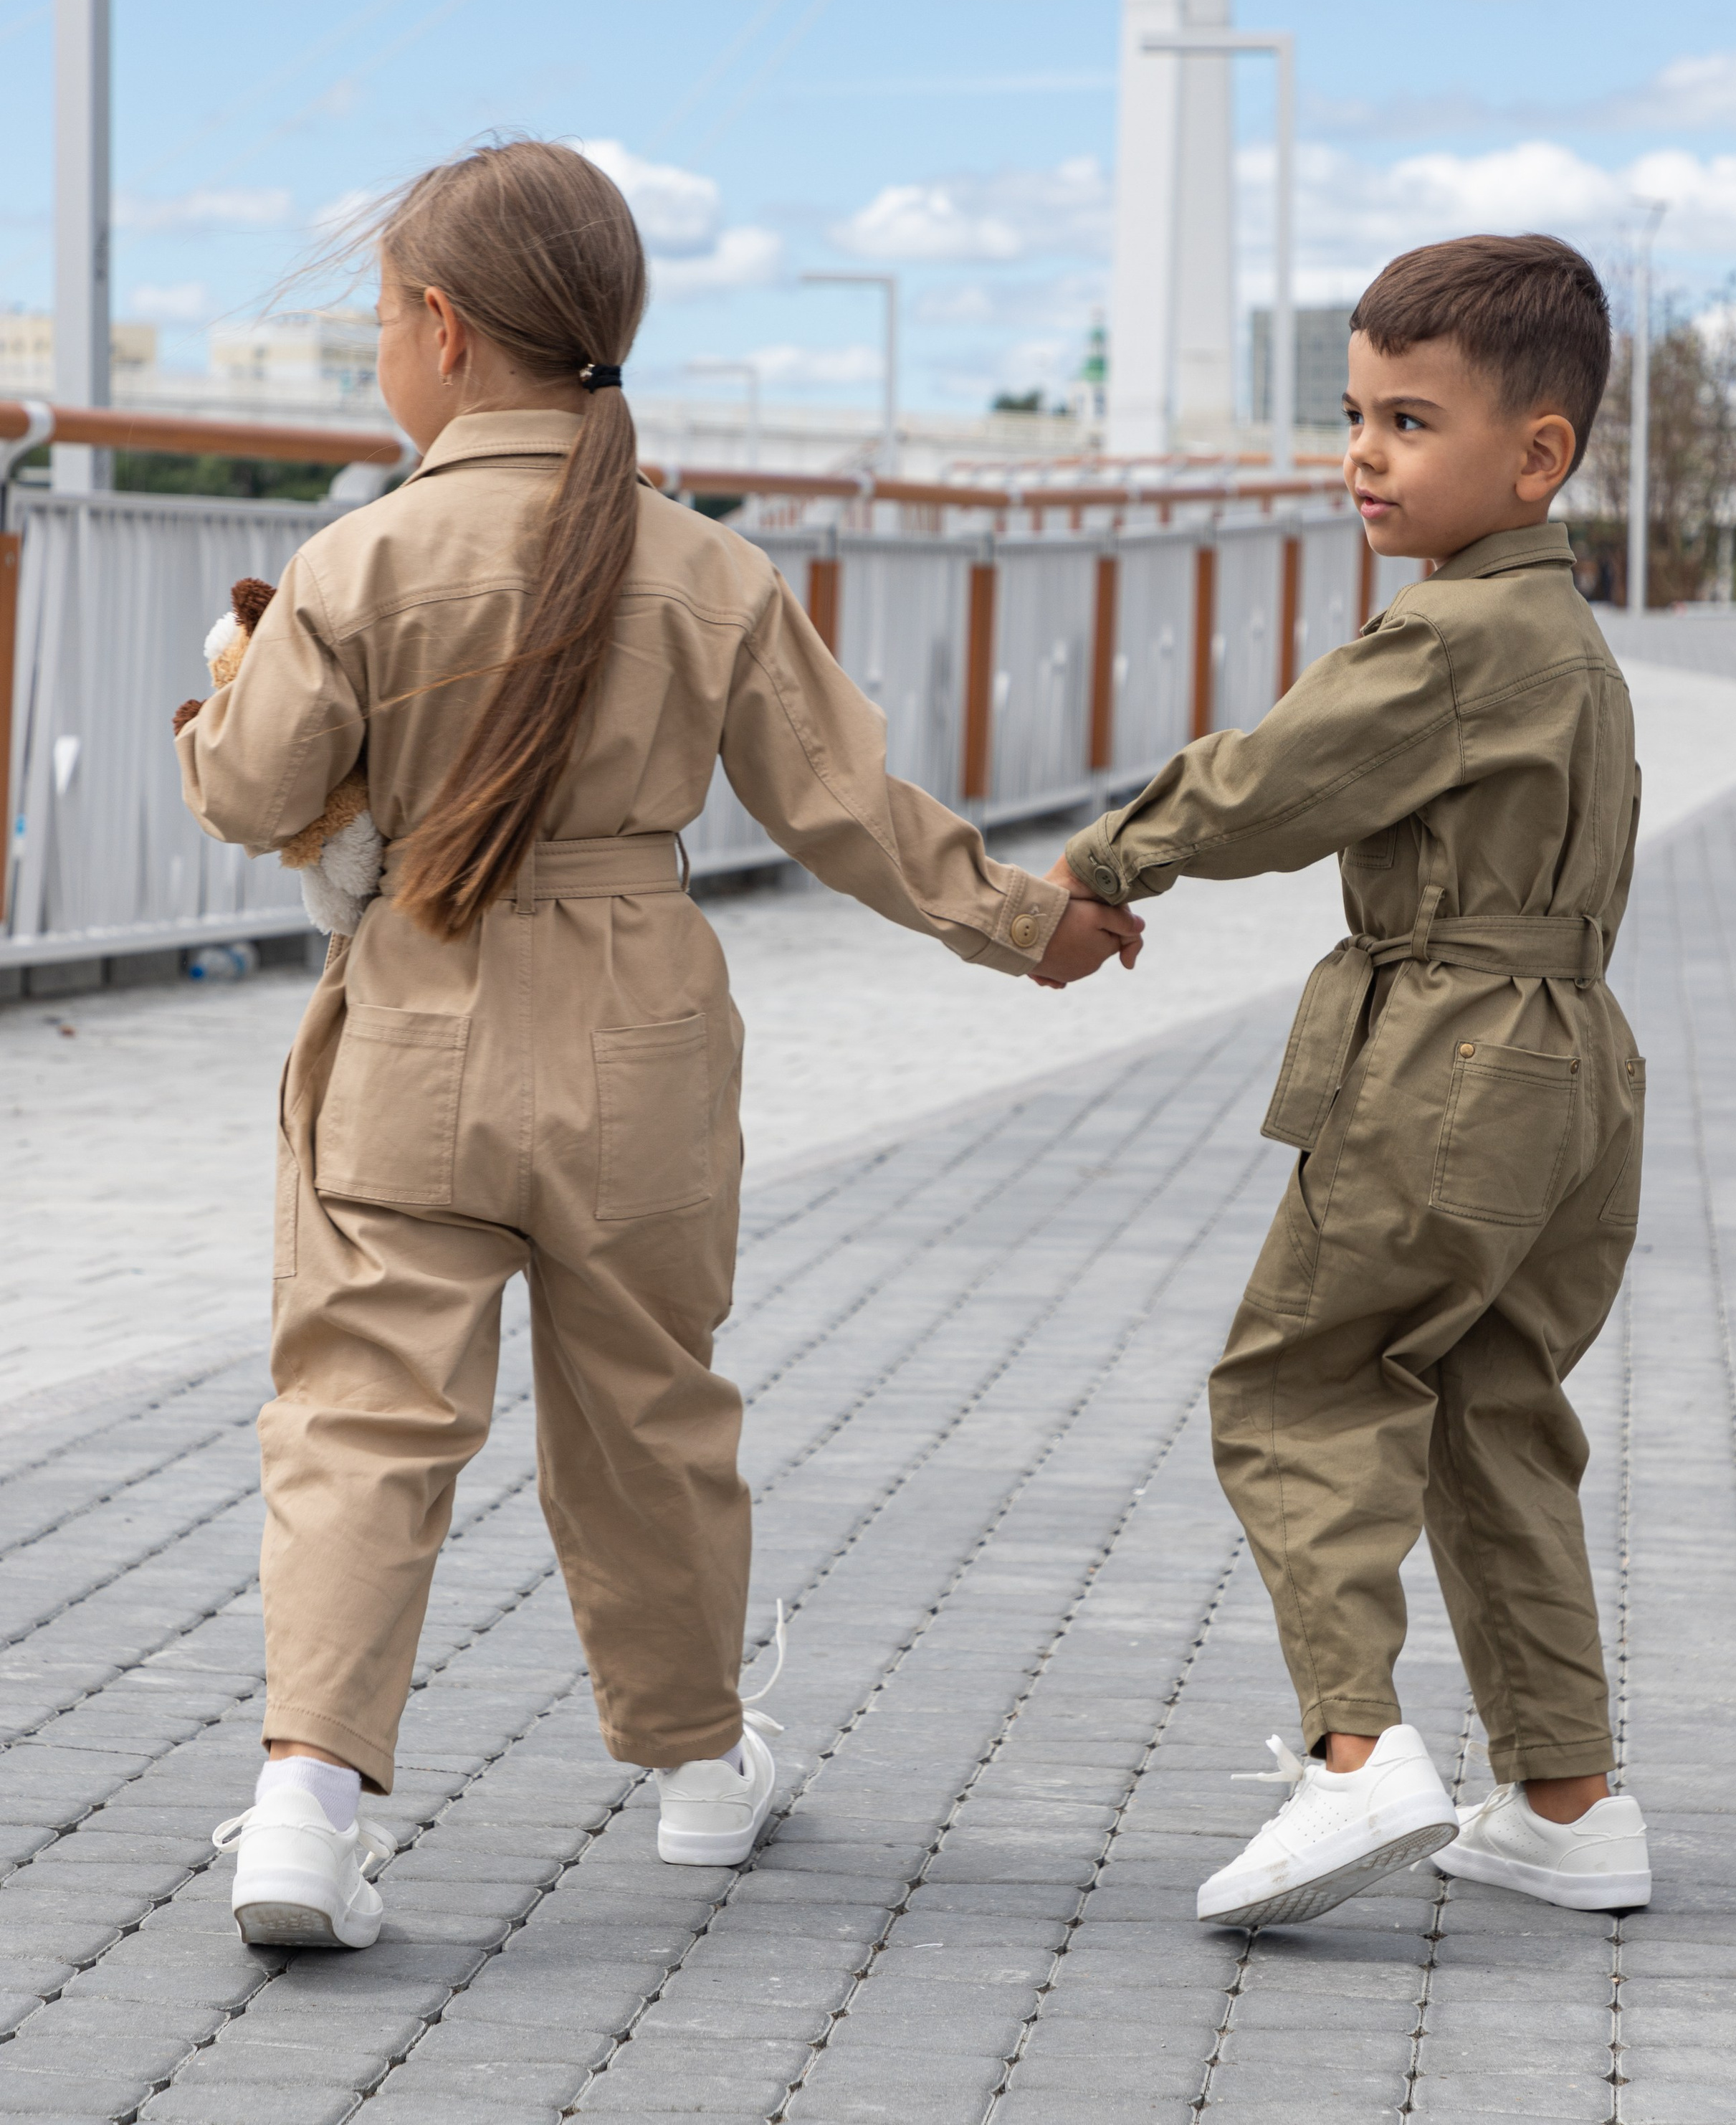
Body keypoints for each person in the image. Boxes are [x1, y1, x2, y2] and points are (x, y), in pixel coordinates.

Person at [179, 138, 1143, 1951]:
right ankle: (699, 1771)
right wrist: (1036, 927)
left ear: (443, 334)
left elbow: (255, 795)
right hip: (637, 1028)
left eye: (383, 320)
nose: (383, 351)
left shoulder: (355, 560)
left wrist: (222, 693)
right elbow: (849, 809)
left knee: (363, 1420)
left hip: (413, 1019)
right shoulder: (706, 570)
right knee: (650, 1417)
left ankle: (306, 1807)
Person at [1054, 234, 1652, 1931]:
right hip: (1575, 1062)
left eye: (1406, 420)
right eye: (1351, 413)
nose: (1359, 456)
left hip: (1445, 1059)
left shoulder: (1453, 635)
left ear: (1533, 455)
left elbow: (1263, 785)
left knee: (1297, 1386)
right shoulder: (1570, 642)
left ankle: (1351, 1759)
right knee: (1493, 1420)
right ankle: (1565, 1800)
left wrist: (1105, 860)